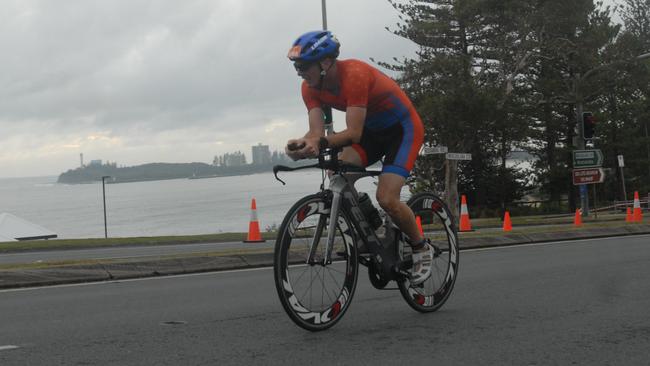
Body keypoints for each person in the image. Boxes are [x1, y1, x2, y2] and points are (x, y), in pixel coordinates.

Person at [284, 30, 434, 284]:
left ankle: (421, 248)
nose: (299, 71)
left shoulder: (354, 74)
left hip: (402, 130)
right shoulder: (309, 88)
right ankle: (375, 229)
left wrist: (316, 143)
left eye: (303, 65)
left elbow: (353, 133)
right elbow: (316, 132)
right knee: (338, 173)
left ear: (326, 62)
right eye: (296, 66)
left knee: (387, 198)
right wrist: (300, 146)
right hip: (372, 133)